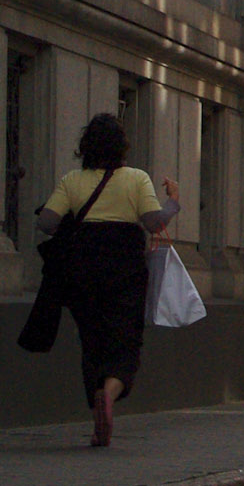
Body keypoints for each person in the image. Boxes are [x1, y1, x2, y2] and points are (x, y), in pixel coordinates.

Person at [35, 113, 179, 447]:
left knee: (92, 340)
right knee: (126, 341)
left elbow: (46, 223)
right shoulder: (136, 179)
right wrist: (174, 201)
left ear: (86, 146)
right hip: (125, 268)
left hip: (81, 271)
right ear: (121, 147)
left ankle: (98, 401)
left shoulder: (72, 180)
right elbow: (154, 223)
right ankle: (109, 395)